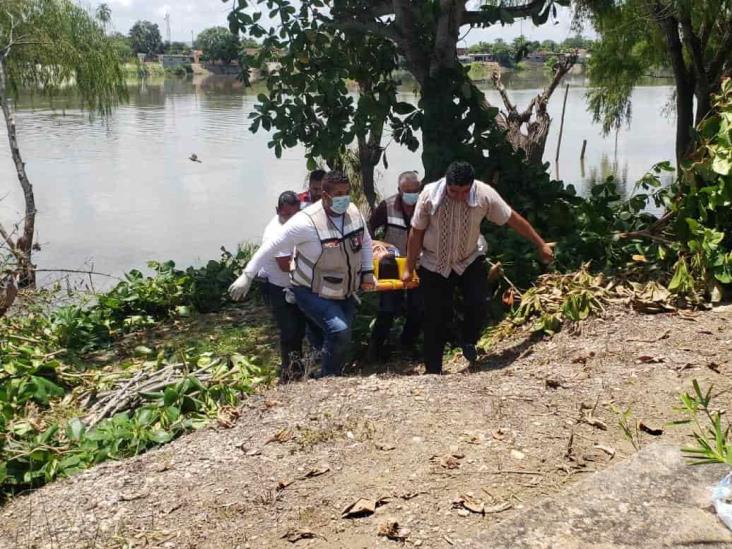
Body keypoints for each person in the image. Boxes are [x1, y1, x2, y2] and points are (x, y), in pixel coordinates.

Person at [402, 161, 554, 374]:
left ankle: (468, 340)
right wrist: (409, 268)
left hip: (468, 258)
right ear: (447, 183)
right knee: (435, 318)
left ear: (471, 186)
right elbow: (416, 232)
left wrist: (541, 244)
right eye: (454, 191)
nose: (459, 197)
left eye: (465, 192)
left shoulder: (484, 194)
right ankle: (433, 372)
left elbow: (512, 219)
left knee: (479, 301)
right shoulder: (429, 195)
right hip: (434, 263)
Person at [229, 171, 375, 377]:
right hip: (311, 290)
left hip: (344, 290)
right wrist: (247, 275)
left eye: (347, 192)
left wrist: (368, 271)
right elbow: (271, 246)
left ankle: (326, 372)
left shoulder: (353, 212)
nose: (344, 198)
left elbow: (366, 242)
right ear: (325, 195)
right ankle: (327, 377)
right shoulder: (306, 222)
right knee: (339, 331)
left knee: (342, 337)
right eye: (339, 193)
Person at [367, 170, 423, 360]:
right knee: (387, 309)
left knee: (418, 308)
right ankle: (376, 348)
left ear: (419, 188)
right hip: (392, 266)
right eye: (406, 190)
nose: (411, 194)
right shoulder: (388, 206)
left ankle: (407, 344)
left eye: (414, 190)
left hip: (418, 264)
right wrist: (377, 248)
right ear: (399, 189)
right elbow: (369, 228)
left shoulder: (427, 206)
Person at [256, 191, 312, 382]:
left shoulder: (299, 221)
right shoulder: (275, 232)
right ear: (278, 210)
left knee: (300, 328)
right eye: (286, 214)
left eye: (294, 214)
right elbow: (285, 265)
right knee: (289, 331)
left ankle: (299, 368)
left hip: (294, 284)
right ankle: (288, 374)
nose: (290, 219)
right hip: (277, 285)